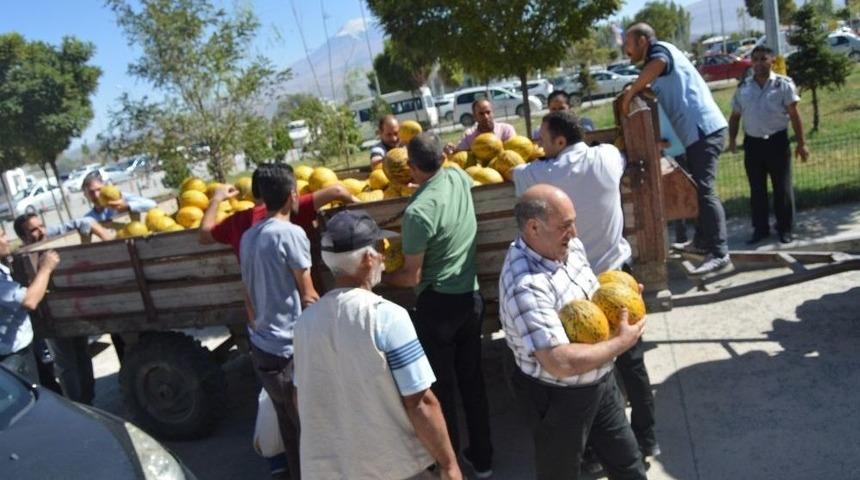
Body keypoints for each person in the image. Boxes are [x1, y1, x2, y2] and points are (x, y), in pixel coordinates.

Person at [513, 111, 660, 464]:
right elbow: (613, 153)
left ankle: (594, 451)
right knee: (631, 364)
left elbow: (515, 174)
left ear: (559, 141)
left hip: (579, 288)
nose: (540, 146)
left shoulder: (538, 174)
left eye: (545, 140)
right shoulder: (607, 157)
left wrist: (540, 159)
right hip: (617, 277)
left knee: (588, 375)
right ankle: (647, 437)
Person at [294, 210, 462, 480]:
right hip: (392, 469)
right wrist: (449, 465)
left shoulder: (305, 323)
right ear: (369, 258)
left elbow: (300, 396)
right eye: (380, 248)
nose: (384, 257)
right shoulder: (386, 316)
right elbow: (421, 403)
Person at [499, 184, 647, 480]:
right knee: (561, 474)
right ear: (533, 227)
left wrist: (621, 299)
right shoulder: (525, 285)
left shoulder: (568, 247)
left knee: (630, 466)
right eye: (566, 226)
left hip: (600, 383)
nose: (575, 233)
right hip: (559, 398)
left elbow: (590, 302)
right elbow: (560, 362)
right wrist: (621, 342)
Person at [385, 133, 493, 478]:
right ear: (442, 157)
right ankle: (484, 459)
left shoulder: (418, 213)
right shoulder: (458, 176)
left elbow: (411, 277)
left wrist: (381, 278)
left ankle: (452, 468)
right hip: (470, 300)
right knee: (473, 384)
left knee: (440, 392)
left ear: (412, 168)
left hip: (438, 310)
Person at [621, 22, 731, 276]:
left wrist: (632, 92)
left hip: (705, 130)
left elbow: (657, 65)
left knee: (705, 190)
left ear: (642, 41)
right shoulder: (657, 65)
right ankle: (703, 243)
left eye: (628, 43)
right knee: (696, 189)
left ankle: (720, 252)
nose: (625, 49)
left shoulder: (660, 52)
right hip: (695, 135)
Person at [240, 164, 320, 480]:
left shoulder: (249, 236)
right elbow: (309, 295)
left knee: (291, 430)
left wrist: (259, 326)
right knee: (314, 431)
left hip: (262, 347)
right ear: (292, 195)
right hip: (289, 350)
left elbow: (246, 293)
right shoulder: (291, 234)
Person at [12, 213, 113, 404]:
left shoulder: (48, 236)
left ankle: (88, 400)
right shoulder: (22, 257)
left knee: (82, 355)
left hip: (74, 309)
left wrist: (106, 238)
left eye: (41, 226)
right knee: (66, 363)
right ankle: (78, 404)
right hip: (53, 317)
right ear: (23, 237)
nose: (41, 231)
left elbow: (82, 221)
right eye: (33, 229)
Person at [728, 45, 809, 245]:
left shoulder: (783, 85)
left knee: (782, 188)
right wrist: (732, 140)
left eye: (763, 58)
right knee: (757, 190)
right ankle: (760, 229)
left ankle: (785, 229)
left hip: (777, 142)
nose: (758, 63)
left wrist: (801, 144)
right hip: (753, 145)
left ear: (772, 60)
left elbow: (794, 115)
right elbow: (735, 116)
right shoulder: (743, 88)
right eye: (754, 59)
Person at [0, 231, 60, 384]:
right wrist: (46, 268)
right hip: (13, 358)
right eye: (0, 236)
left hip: (24, 350)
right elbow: (30, 301)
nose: (6, 240)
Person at [81, 171, 156, 223]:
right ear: (85, 195)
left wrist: (127, 206)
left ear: (105, 187)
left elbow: (152, 204)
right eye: (91, 192)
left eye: (99, 189)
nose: (97, 195)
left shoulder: (121, 197)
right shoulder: (89, 218)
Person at [446, 99, 516, 154]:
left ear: (493, 113)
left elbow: (513, 153)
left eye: (488, 112)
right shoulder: (468, 135)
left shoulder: (506, 130)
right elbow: (461, 154)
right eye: (481, 114)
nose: (486, 117)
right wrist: (452, 150)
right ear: (474, 116)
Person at [531, 90, 595, 141]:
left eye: (561, 108)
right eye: (553, 109)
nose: (558, 112)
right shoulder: (540, 131)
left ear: (569, 107)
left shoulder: (584, 124)